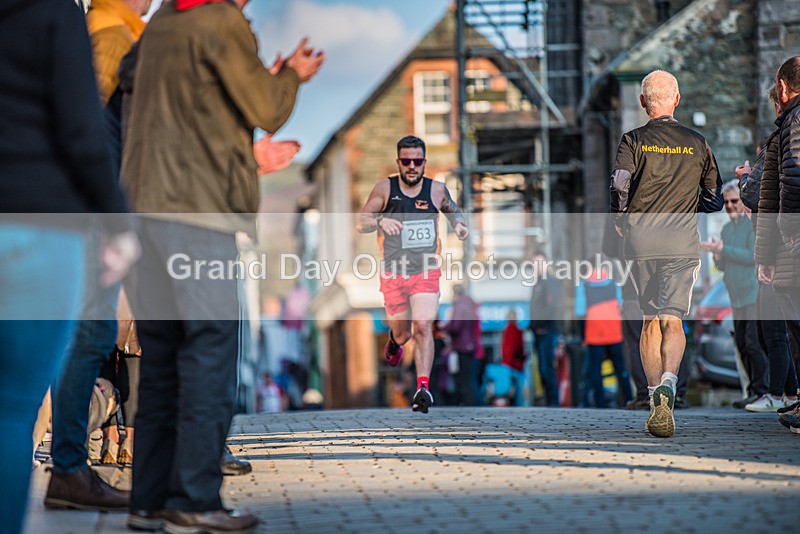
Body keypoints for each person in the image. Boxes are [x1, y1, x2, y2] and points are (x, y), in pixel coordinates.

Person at [120, 0, 324, 531]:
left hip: (142, 211)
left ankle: (149, 500)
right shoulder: (221, 22)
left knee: (161, 357)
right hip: (198, 217)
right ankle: (194, 500)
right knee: (209, 351)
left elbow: (131, 78)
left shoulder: (164, 21)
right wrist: (291, 77)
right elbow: (265, 108)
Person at [0, 0, 139, 531]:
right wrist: (119, 223)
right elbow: (84, 131)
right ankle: (65, 473)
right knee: (12, 409)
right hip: (39, 224)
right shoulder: (54, 14)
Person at [44, 0, 149, 512]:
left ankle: (69, 467)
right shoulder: (111, 35)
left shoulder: (114, 29)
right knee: (89, 336)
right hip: (91, 214)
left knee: (88, 336)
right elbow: (90, 132)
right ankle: (67, 468)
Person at [610, 70, 722, 438]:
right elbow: (714, 198)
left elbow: (620, 184)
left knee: (648, 320)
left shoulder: (633, 140)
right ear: (677, 99)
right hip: (680, 242)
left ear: (643, 102)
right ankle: (668, 387)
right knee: (673, 319)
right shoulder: (698, 142)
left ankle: (651, 391)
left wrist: (621, 219)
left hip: (641, 241)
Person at [357, 135, 470, 414]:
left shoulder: (436, 190)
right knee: (404, 333)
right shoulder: (385, 188)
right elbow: (362, 222)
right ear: (398, 162)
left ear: (424, 163)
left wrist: (460, 226)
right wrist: (383, 219)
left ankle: (422, 388)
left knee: (422, 326)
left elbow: (452, 210)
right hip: (394, 272)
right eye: (406, 161)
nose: (411, 166)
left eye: (416, 161)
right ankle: (394, 341)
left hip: (425, 270)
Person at [701, 181, 779, 410]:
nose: (730, 206)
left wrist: (723, 250)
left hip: (752, 294)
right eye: (726, 202)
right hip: (735, 297)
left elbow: (750, 256)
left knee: (754, 344)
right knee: (742, 344)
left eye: (734, 201)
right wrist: (717, 256)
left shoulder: (749, 226)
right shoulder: (726, 229)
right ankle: (753, 391)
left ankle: (762, 390)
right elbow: (725, 264)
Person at [755, 57, 800, 432]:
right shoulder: (787, 123)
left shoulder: (794, 122)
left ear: (783, 88)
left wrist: (787, 230)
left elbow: (791, 179)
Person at [574, 267, 633, 408]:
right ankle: (628, 400)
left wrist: (583, 337)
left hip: (594, 333)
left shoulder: (584, 285)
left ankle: (600, 404)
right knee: (621, 369)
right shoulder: (613, 284)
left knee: (595, 371)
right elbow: (621, 307)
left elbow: (580, 312)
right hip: (614, 331)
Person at [529, 252, 563, 407]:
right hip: (539, 332)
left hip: (547, 331)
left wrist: (543, 325)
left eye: (540, 263)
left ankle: (553, 403)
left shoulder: (549, 283)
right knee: (542, 368)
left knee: (546, 368)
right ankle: (548, 401)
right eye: (535, 264)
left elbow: (552, 306)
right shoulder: (538, 283)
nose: (538, 267)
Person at [445, 285, 480, 406]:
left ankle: (468, 402)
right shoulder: (469, 304)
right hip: (469, 345)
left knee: (464, 377)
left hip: (462, 345)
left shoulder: (460, 305)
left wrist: (444, 327)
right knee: (469, 376)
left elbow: (456, 326)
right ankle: (471, 401)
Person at [501, 310, 527, 406]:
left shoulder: (507, 330)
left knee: (509, 390)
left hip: (509, 364)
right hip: (517, 365)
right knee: (518, 392)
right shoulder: (518, 331)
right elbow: (518, 348)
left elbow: (507, 350)